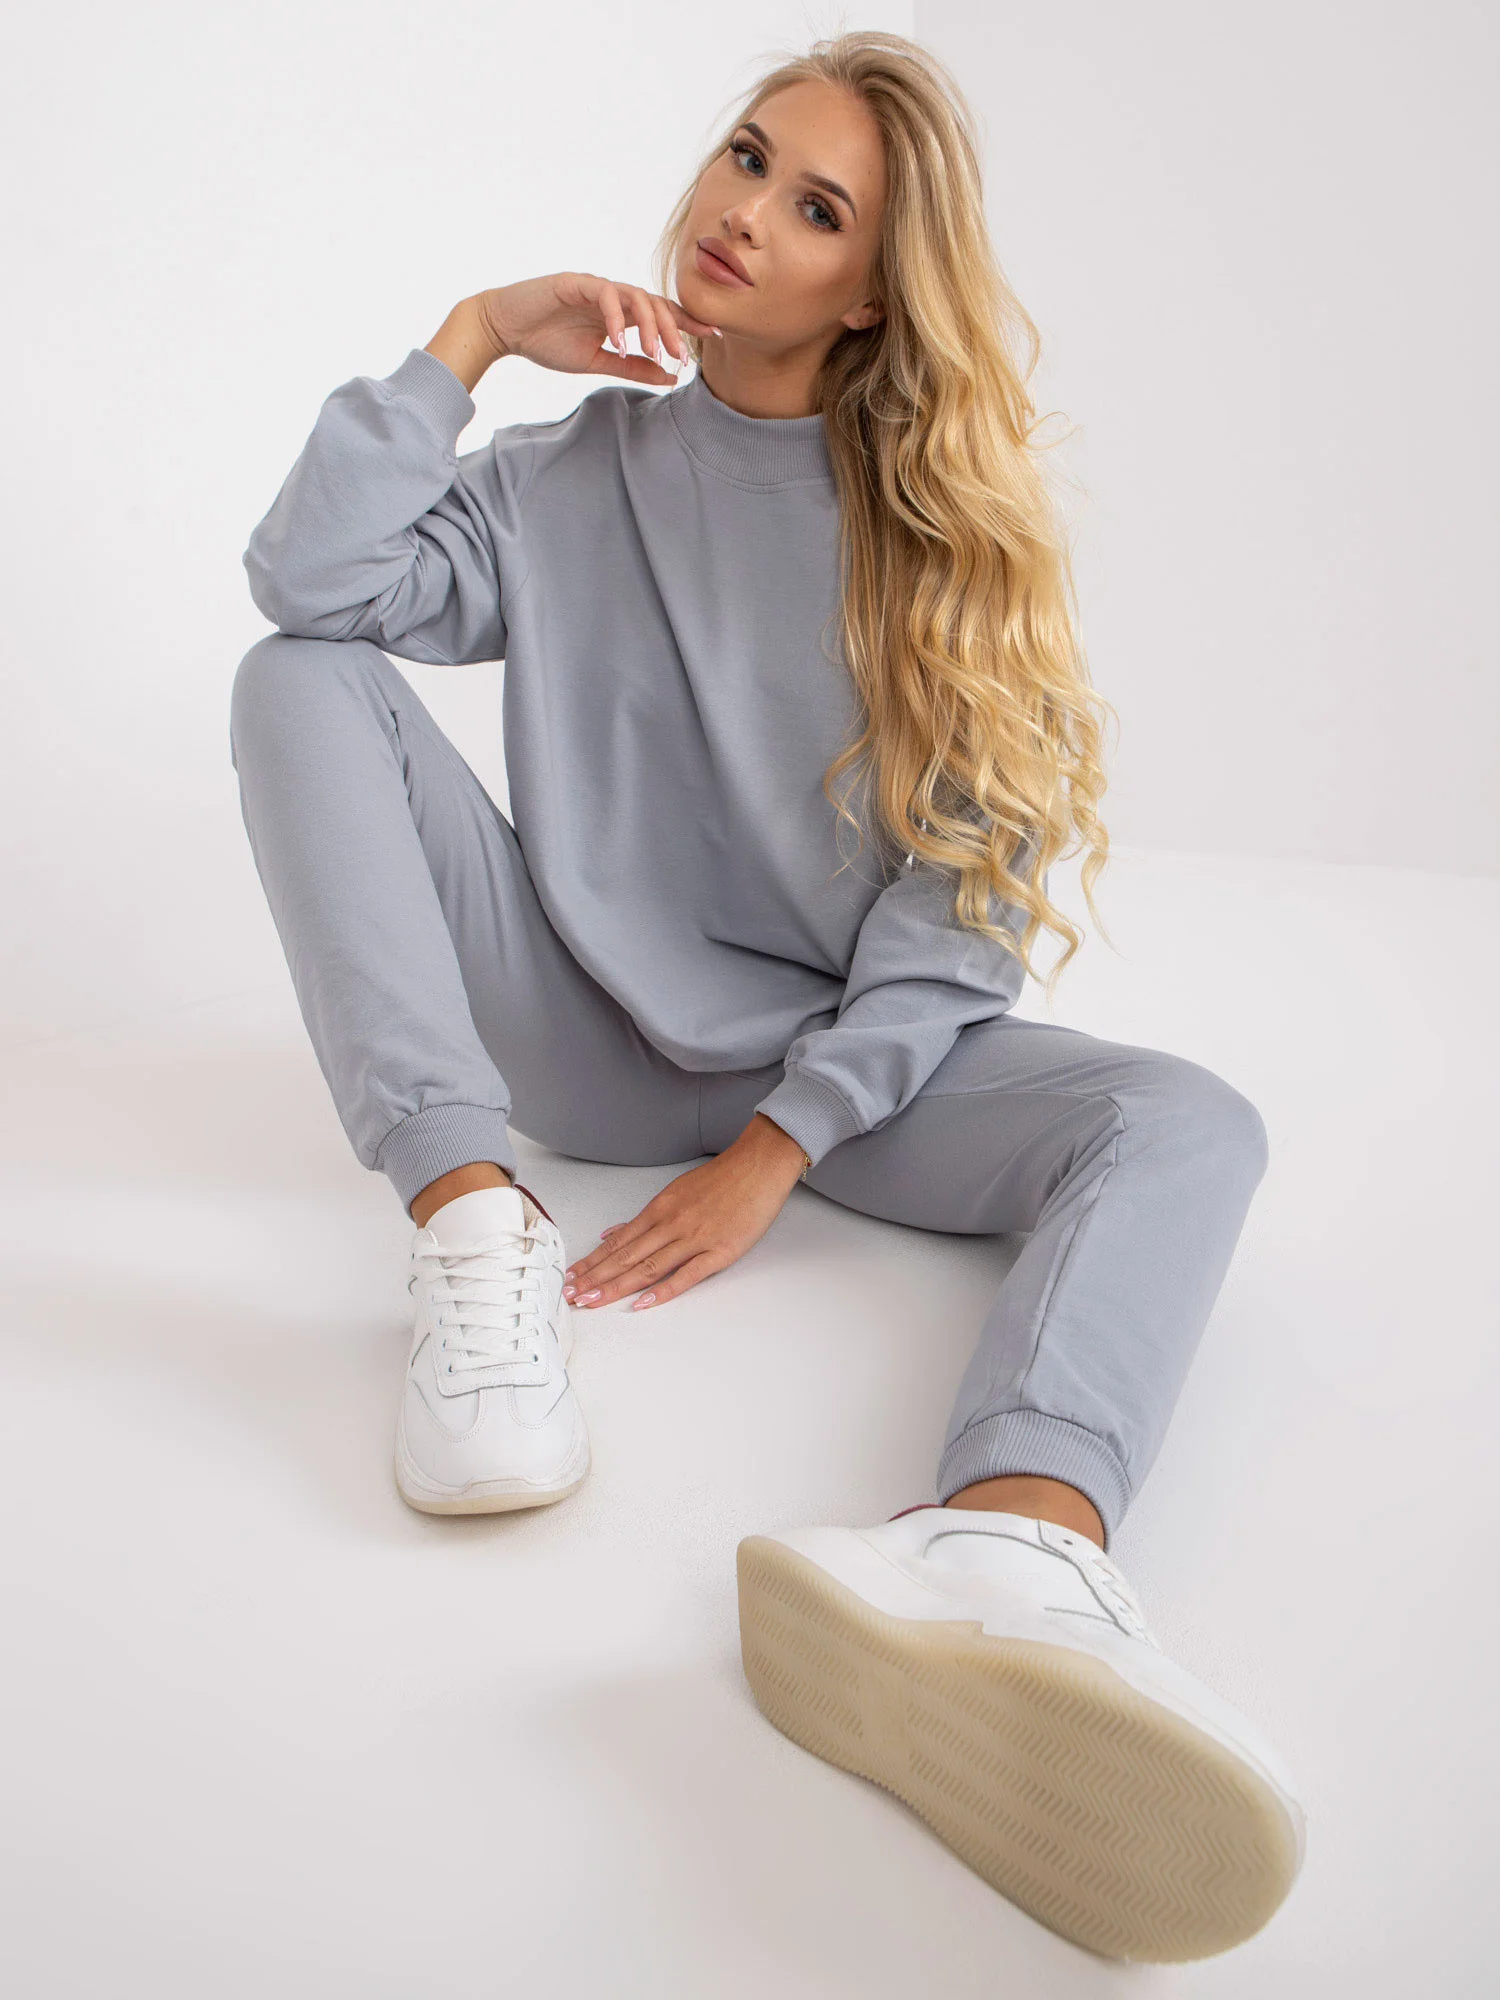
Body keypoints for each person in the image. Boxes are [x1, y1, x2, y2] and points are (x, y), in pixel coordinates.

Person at [230, 29, 1306, 1967]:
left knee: (1186, 1125)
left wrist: (779, 1147)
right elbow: (311, 582)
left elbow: (969, 893)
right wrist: (473, 336)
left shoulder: (936, 533)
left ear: (872, 290)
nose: (743, 214)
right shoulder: (564, 482)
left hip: (848, 1075)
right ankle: (469, 1228)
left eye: (816, 208)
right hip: (580, 1037)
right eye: (747, 158)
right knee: (295, 677)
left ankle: (1010, 1544)